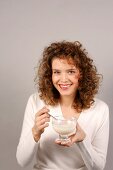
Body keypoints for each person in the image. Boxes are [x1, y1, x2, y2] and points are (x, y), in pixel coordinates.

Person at [16, 41, 109, 170]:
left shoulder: (100, 109)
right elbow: (22, 161)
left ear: (81, 74)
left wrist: (82, 140)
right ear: (50, 74)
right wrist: (35, 132)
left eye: (70, 71)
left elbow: (98, 167)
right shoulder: (36, 101)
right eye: (57, 72)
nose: (63, 79)